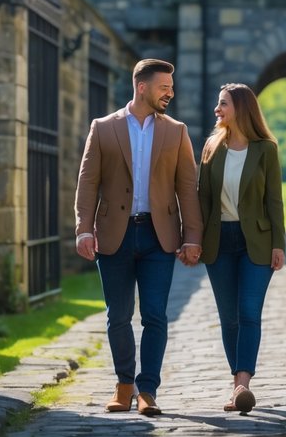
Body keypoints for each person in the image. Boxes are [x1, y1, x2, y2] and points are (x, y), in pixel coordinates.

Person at [74, 58, 204, 416]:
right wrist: (84, 228)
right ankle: (123, 385)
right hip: (113, 234)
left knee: (155, 316)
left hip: (158, 236)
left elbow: (187, 189)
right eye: (165, 87)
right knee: (118, 315)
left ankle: (148, 390)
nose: (170, 94)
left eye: (172, 88)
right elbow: (88, 181)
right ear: (142, 87)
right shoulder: (103, 128)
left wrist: (192, 236)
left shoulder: (176, 131)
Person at [196, 83, 286, 414]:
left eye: (223, 104)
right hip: (219, 242)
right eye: (218, 104)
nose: (217, 110)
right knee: (228, 318)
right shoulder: (210, 147)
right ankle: (237, 384)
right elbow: (201, 199)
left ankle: (242, 386)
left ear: (241, 108)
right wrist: (192, 240)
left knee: (249, 312)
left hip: (256, 243)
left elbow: (274, 200)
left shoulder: (266, 149)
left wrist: (279, 243)